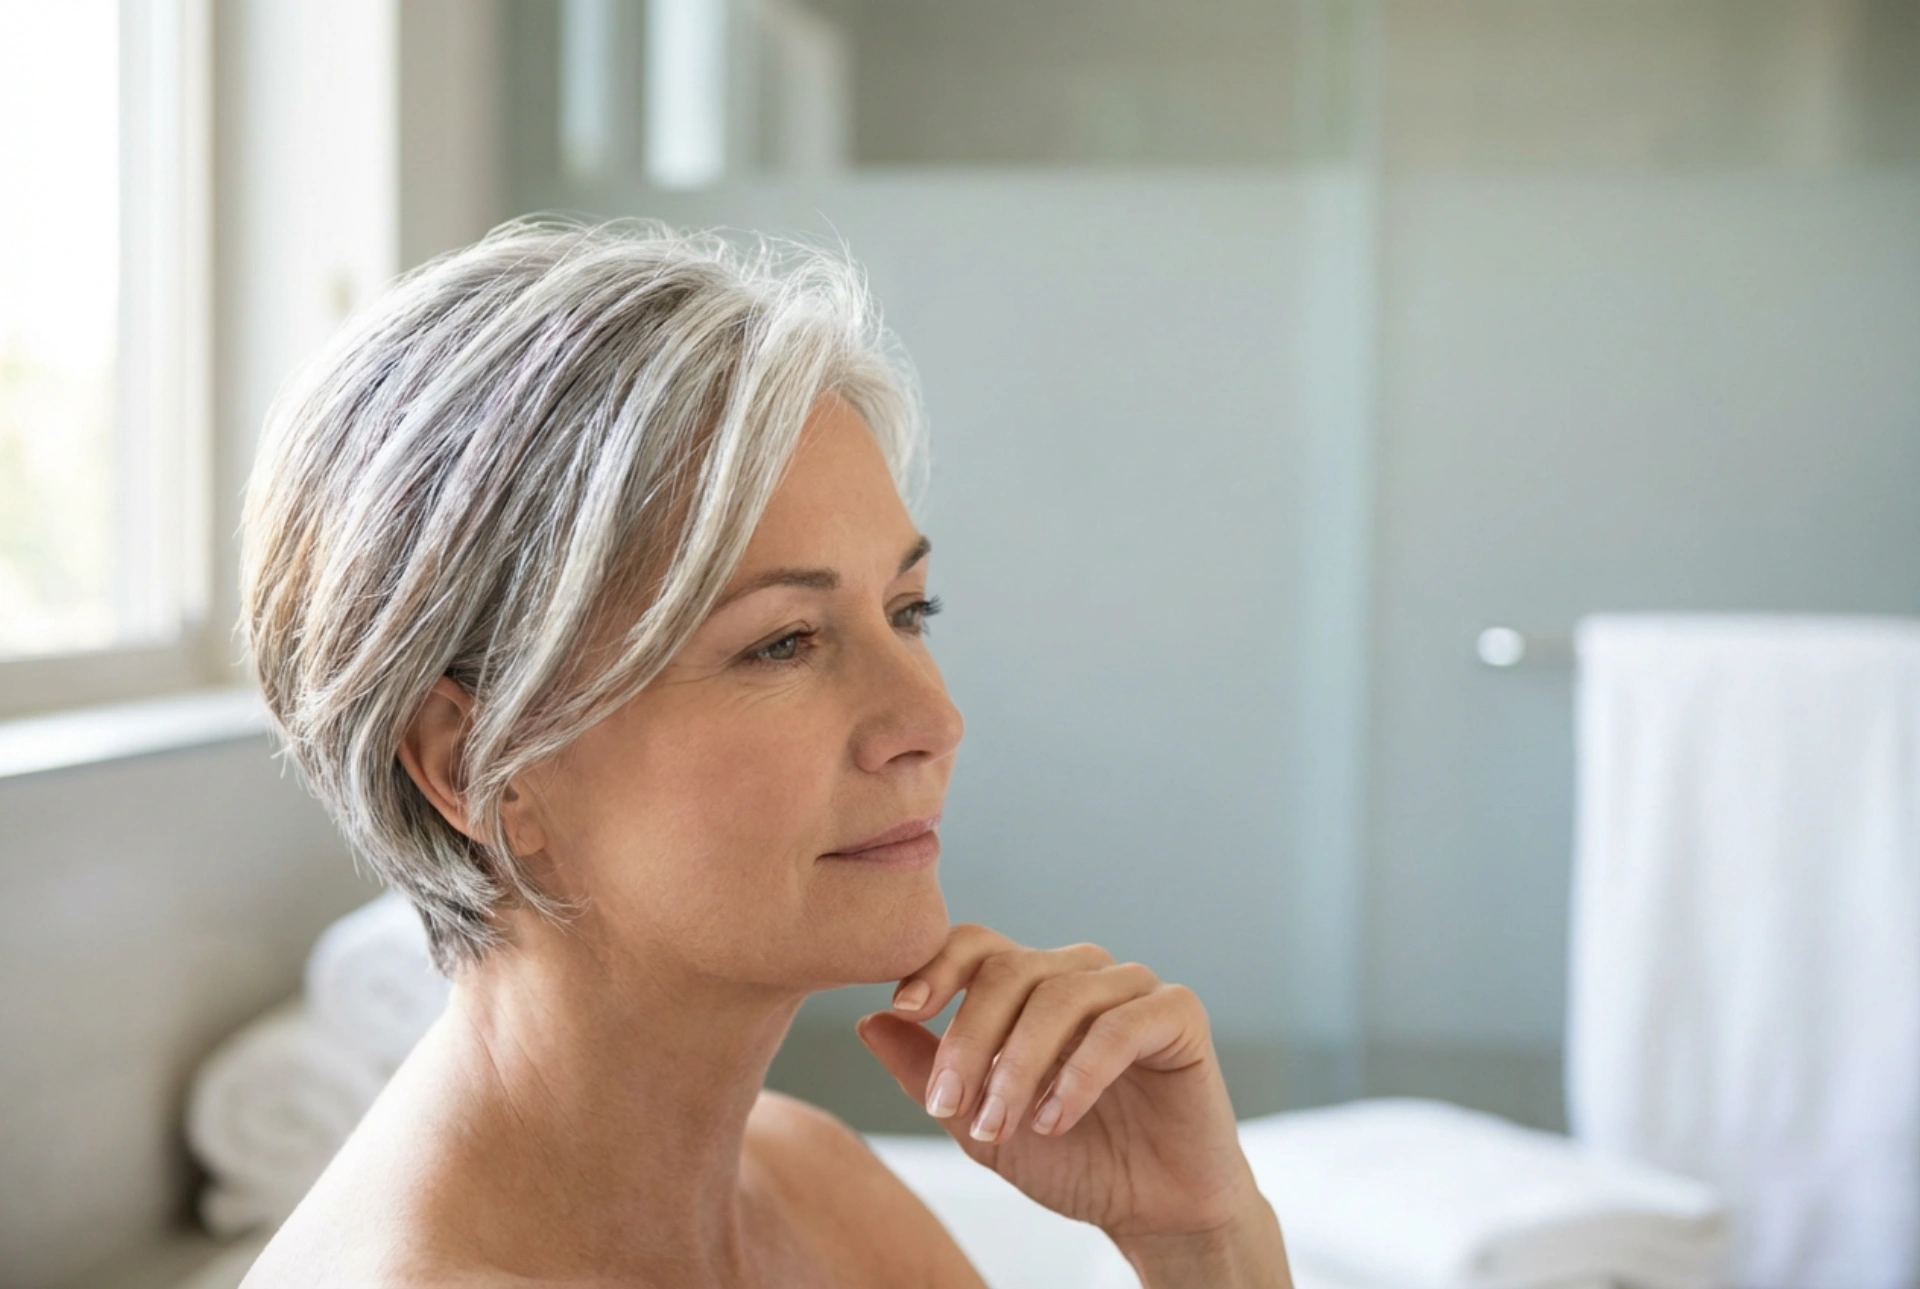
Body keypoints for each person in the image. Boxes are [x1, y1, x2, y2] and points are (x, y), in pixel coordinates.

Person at [238, 219, 1290, 1287]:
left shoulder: (817, 1189)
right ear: (476, 765)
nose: (931, 719)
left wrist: (1204, 1240)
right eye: (783, 641)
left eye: (910, 609)